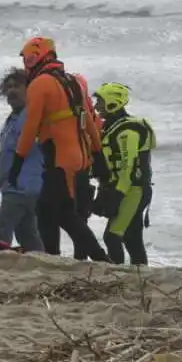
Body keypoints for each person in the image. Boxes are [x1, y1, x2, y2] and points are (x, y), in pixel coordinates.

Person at [8, 37, 109, 262]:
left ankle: (97, 259)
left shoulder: (40, 84)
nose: (27, 64)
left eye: (29, 59)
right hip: (79, 157)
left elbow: (30, 126)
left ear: (37, 58)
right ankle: (58, 258)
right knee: (53, 211)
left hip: (59, 158)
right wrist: (98, 154)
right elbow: (88, 120)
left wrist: (17, 162)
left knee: (59, 214)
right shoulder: (72, 81)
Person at [92, 82, 155, 265]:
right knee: (131, 238)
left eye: (100, 103)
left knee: (112, 236)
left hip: (133, 191)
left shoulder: (129, 131)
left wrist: (118, 194)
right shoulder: (110, 127)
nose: (96, 107)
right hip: (122, 189)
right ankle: (140, 274)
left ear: (113, 103)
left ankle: (117, 274)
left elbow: (128, 166)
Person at [0, 67, 44, 251]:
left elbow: (17, 155)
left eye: (18, 86)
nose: (12, 90)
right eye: (9, 87)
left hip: (22, 185)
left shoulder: (30, 117)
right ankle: (42, 261)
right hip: (17, 185)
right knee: (26, 232)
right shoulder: (12, 119)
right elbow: (6, 157)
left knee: (0, 230)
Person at [72, 73, 100, 260]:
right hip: (84, 171)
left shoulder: (82, 113)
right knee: (78, 221)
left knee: (75, 221)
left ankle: (87, 257)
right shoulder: (89, 113)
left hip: (78, 172)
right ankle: (82, 258)